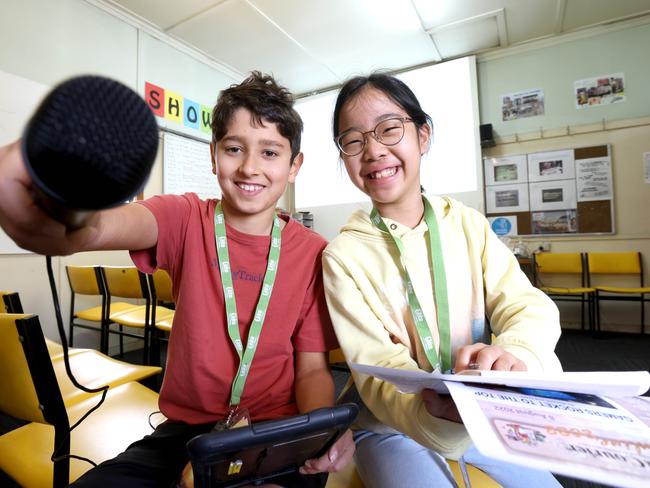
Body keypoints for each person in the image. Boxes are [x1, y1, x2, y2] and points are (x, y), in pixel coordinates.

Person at [0, 72, 353, 487]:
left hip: (273, 433)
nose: (250, 167)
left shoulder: (313, 252)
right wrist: (60, 219)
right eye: (234, 148)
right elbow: (96, 229)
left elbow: (312, 369)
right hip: (186, 432)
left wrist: (316, 433)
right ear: (213, 154)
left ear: (294, 166)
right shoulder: (185, 218)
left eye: (271, 152)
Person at [321, 73, 563, 488]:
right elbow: (378, 370)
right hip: (387, 427)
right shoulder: (342, 256)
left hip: (481, 412)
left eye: (389, 129)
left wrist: (515, 353)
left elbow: (527, 305)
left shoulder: (466, 223)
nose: (374, 150)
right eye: (354, 140)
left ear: (423, 135)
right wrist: (432, 415)